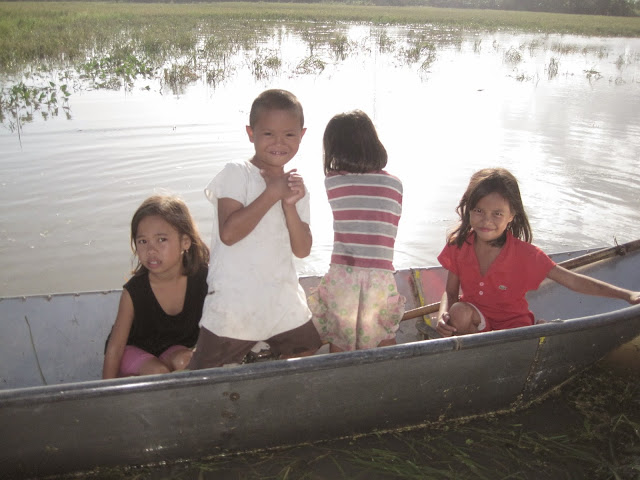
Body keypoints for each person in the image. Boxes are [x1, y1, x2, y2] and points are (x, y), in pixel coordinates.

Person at [187, 89, 322, 369]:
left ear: (302, 135)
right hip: (235, 303)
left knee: (308, 347)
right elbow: (229, 234)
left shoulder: (297, 187)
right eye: (268, 134)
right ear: (251, 133)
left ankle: (259, 374)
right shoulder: (237, 173)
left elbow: (302, 249)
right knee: (201, 377)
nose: (279, 143)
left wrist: (288, 205)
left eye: (289, 134)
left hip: (280, 300)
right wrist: (271, 194)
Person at [435, 167, 640, 337]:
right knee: (458, 312)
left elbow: (574, 281)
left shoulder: (526, 255)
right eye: (479, 210)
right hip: (477, 322)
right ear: (468, 209)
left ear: (511, 216)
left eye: (497, 214)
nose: (486, 220)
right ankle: (475, 353)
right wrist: (443, 315)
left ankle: (534, 331)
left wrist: (627, 295)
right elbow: (451, 292)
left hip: (514, 329)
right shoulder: (459, 245)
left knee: (515, 334)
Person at [308, 110, 405, 352]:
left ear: (334, 149)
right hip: (380, 278)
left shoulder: (332, 182)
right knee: (384, 336)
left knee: (339, 341)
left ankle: (339, 382)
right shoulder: (395, 184)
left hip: (343, 274)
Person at [102, 195, 210, 379]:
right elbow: (115, 349)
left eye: (161, 240)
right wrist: (106, 394)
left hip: (171, 350)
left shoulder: (203, 278)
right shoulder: (135, 291)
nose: (151, 250)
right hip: (134, 352)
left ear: (185, 241)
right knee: (156, 372)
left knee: (186, 360)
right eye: (143, 241)